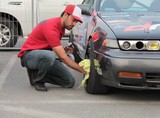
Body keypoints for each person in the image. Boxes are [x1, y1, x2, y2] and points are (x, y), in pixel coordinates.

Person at [17, 4, 86, 91]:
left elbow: (52, 47)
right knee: (50, 56)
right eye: (73, 20)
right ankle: (39, 81)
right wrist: (84, 71)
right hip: (28, 56)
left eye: (76, 22)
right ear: (65, 15)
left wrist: (63, 50)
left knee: (69, 82)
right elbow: (63, 57)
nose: (74, 24)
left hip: (43, 56)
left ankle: (35, 74)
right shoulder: (51, 27)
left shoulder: (61, 27)